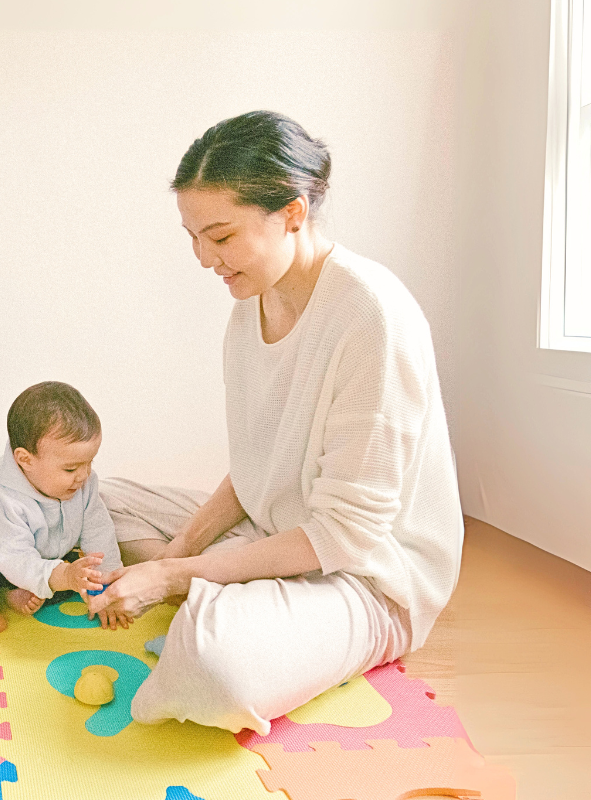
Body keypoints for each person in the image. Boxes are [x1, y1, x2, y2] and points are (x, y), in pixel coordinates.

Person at [88, 111, 464, 735]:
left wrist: (174, 573)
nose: (205, 258)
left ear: (292, 212)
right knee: (95, 496)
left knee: (214, 667)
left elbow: (346, 536)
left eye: (221, 236)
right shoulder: (249, 309)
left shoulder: (373, 316)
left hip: (367, 576)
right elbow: (257, 466)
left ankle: (223, 611)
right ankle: (227, 598)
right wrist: (177, 555)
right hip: (278, 525)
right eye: (193, 236)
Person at [0, 381, 126, 638]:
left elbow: (100, 532)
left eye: (89, 462)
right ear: (25, 460)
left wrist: (109, 589)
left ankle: (19, 591)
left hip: (41, 561)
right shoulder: (3, 496)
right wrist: (62, 575)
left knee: (81, 571)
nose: (83, 475)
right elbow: (13, 557)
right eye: (70, 469)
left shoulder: (85, 483)